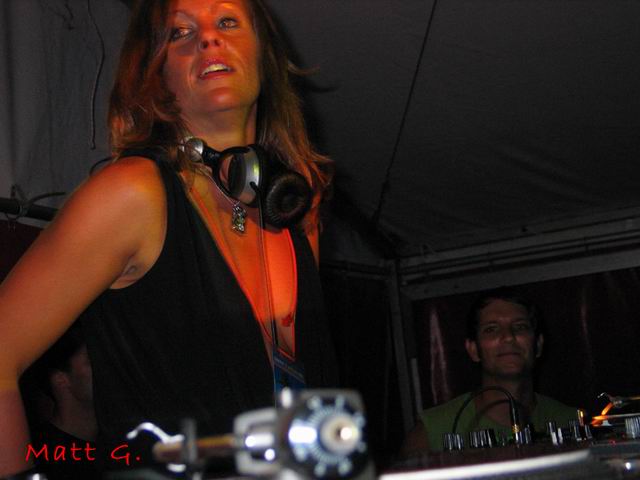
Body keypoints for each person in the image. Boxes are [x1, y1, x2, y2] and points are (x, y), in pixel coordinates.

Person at [0, 0, 339, 476]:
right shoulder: (132, 195)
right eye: (180, 33)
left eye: (227, 21)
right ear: (155, 77)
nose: (208, 38)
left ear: (264, 54)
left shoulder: (298, 209)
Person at [403, 288, 577, 453]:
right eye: (491, 329)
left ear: (538, 345)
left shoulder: (572, 422)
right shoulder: (430, 434)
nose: (508, 337)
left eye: (520, 327)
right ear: (473, 350)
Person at [21, 322, 99, 479]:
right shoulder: (40, 459)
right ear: (61, 379)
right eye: (91, 361)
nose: (103, 368)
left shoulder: (119, 440)